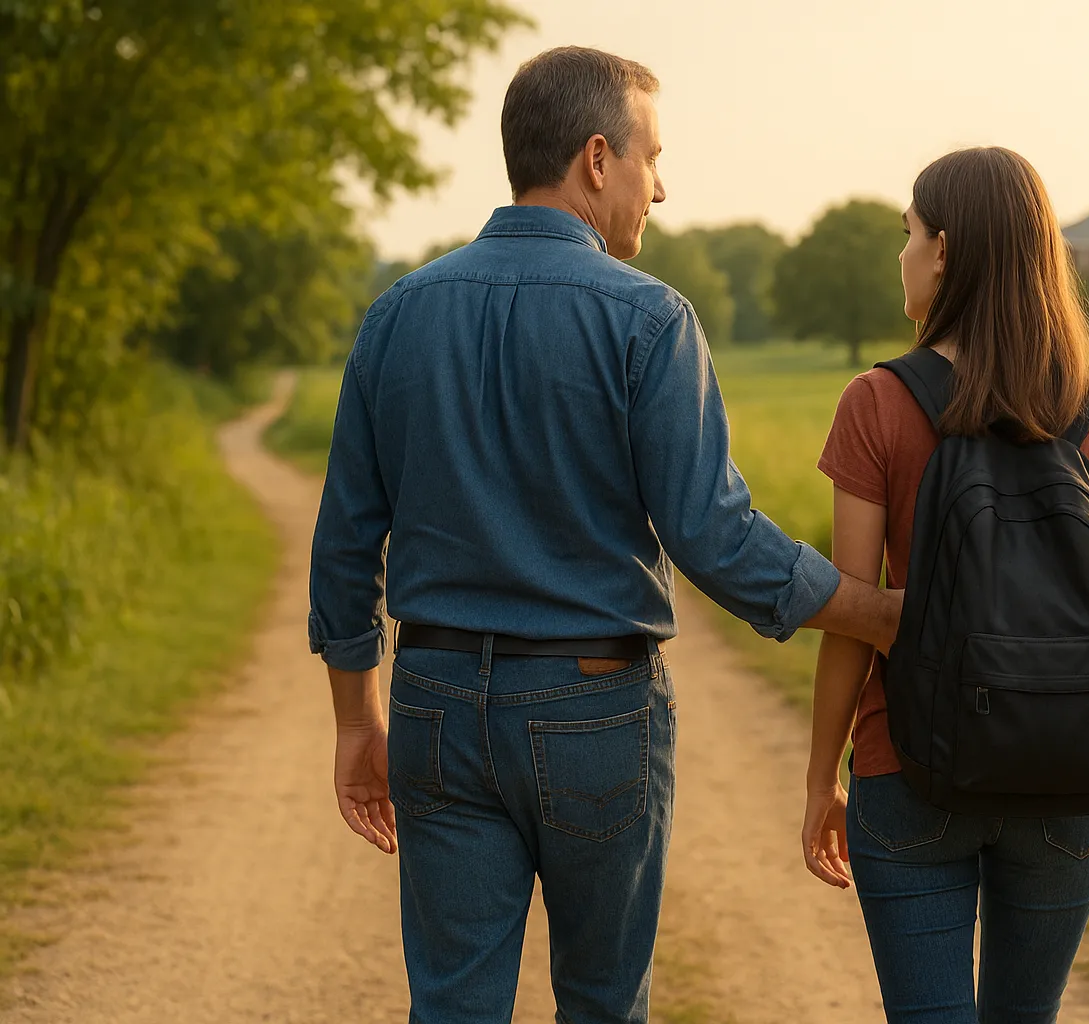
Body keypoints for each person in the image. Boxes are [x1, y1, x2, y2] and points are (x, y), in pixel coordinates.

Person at [307, 46, 900, 1024]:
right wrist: (876, 613)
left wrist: (353, 721)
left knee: (452, 1004)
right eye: (651, 159)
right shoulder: (649, 320)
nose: (660, 189)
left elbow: (342, 547)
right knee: (602, 1005)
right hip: (596, 710)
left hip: (436, 705)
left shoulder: (396, 316)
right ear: (595, 158)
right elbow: (714, 536)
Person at [800, 146, 1089, 1023]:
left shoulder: (879, 402)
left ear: (943, 251)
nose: (900, 257)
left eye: (906, 236)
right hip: (1067, 773)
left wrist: (819, 780)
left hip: (909, 768)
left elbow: (851, 615)